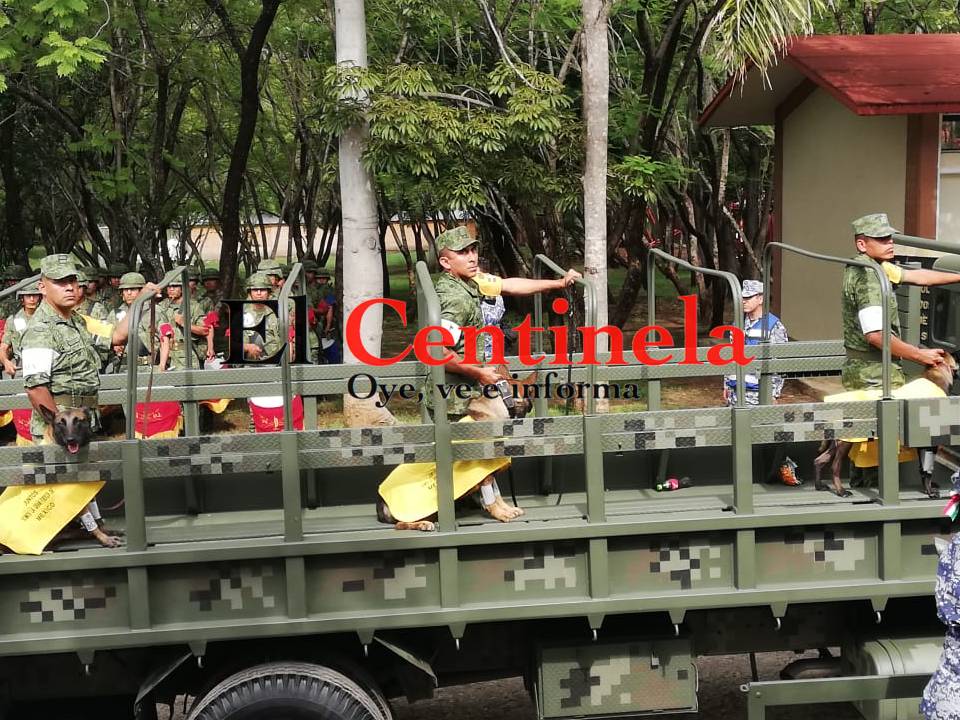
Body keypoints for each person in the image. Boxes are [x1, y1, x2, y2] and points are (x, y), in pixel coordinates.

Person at [426, 226, 580, 521]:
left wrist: (558, 283)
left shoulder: (470, 281)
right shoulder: (453, 299)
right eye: (462, 253)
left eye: (473, 250)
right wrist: (477, 372)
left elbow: (511, 285)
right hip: (455, 392)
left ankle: (490, 499)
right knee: (484, 447)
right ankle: (491, 502)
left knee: (490, 442)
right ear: (445, 262)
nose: (472, 257)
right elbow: (438, 351)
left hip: (472, 383)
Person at [16, 254, 158, 548]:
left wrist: (140, 302)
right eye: (60, 282)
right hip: (60, 427)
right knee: (66, 487)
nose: (70, 287)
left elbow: (116, 336)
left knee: (80, 483)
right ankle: (86, 533)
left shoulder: (77, 321)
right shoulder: (41, 330)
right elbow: (36, 389)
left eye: (73, 281)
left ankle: (92, 529)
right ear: (42, 287)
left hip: (78, 424)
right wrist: (61, 430)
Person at [842, 213, 958, 391]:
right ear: (862, 244)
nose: (890, 243)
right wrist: (919, 355)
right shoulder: (868, 276)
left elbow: (919, 277)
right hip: (874, 377)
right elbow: (876, 335)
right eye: (881, 239)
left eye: (890, 238)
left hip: (871, 371)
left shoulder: (878, 267)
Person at [723, 279, 788, 406]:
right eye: (743, 297)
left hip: (758, 394)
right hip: (735, 392)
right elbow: (731, 356)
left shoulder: (774, 326)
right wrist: (726, 384)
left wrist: (774, 393)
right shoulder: (737, 324)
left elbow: (780, 362)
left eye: (748, 297)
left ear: (760, 299)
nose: (744, 301)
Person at [108, 272, 167, 372]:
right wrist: (114, 346)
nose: (129, 293)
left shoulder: (156, 311)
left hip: (149, 368)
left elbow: (165, 339)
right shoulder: (115, 314)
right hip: (124, 368)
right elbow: (106, 340)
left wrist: (162, 365)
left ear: (142, 291)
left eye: (133, 289)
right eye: (125, 290)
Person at [157, 278, 214, 369]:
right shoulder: (161, 307)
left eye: (175, 286)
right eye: (169, 286)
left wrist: (184, 323)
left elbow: (205, 330)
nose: (171, 289)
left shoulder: (193, 306)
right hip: (165, 357)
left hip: (186, 357)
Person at [0, 281, 42, 378]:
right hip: (22, 365)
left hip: (46, 363)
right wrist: (5, 361)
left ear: (40, 297)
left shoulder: (48, 317)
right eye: (28, 296)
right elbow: (3, 347)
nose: (32, 299)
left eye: (35, 295)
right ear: (22, 299)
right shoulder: (13, 320)